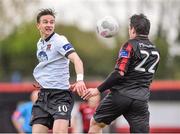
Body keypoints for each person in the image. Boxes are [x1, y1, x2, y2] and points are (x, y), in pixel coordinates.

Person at [81, 14, 160, 133]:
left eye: (129, 28)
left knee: (96, 123)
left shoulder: (130, 45)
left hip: (121, 96)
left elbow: (119, 73)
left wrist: (98, 90)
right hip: (141, 99)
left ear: (133, 29)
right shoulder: (155, 50)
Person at [30, 8, 86, 133]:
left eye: (52, 22)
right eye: (45, 22)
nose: (49, 25)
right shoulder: (40, 43)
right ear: (38, 25)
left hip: (61, 96)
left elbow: (77, 60)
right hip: (43, 95)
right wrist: (43, 80)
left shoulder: (59, 40)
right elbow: (48, 65)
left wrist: (80, 80)